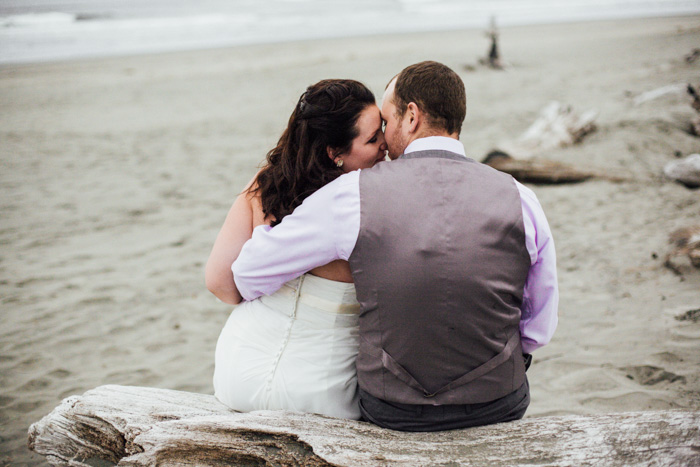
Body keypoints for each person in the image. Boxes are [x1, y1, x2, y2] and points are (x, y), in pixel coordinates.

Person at [232, 61, 559, 431]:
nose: (383, 140)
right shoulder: (521, 198)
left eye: (386, 123)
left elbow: (247, 274)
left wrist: (263, 217)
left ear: (412, 117)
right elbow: (539, 322)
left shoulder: (351, 195)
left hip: (394, 409)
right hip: (499, 402)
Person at [205, 79, 387, 419]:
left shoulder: (265, 185)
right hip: (322, 392)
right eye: (373, 139)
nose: (385, 146)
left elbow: (220, 284)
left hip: (237, 371)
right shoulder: (368, 202)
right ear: (335, 153)